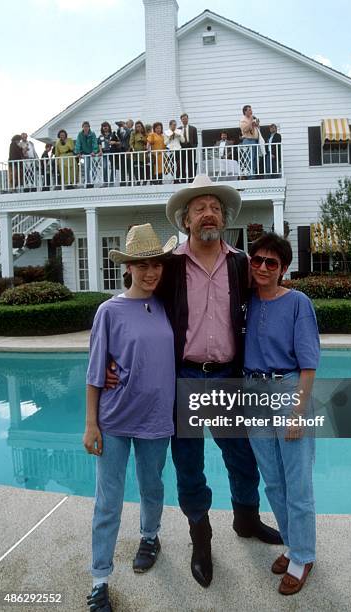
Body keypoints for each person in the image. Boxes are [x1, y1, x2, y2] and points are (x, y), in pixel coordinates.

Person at [106, 176, 281, 590]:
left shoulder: (241, 263)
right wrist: (113, 354)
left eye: (215, 207)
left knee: (241, 457)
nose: (209, 213)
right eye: (200, 207)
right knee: (189, 464)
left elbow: (269, 301)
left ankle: (246, 519)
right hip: (183, 377)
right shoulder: (168, 266)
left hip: (226, 377)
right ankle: (200, 537)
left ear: (224, 218)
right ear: (185, 221)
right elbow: (136, 303)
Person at [84, 223, 177, 612]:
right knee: (109, 501)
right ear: (128, 268)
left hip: (156, 419)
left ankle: (150, 537)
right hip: (116, 419)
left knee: (152, 486)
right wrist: (91, 423)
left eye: (156, 263)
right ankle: (100, 579)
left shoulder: (167, 306)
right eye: (142, 265)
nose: (151, 271)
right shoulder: (109, 311)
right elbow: (94, 371)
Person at [244, 232, 320, 596]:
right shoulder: (246, 302)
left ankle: (304, 556)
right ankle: (292, 545)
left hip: (288, 390)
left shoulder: (298, 303)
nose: (262, 267)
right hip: (252, 392)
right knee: (273, 480)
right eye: (256, 260)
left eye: (270, 262)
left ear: (283, 269)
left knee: (298, 482)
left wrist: (298, 412)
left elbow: (309, 364)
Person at [75, 121, 99, 187]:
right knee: (87, 168)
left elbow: (94, 143)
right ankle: (88, 182)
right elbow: (78, 143)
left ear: (89, 127)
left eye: (87, 126)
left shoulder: (92, 134)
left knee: (94, 167)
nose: (86, 128)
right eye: (84, 126)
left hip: (92, 154)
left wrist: (94, 151)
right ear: (82, 127)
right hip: (85, 154)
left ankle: (92, 181)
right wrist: (78, 152)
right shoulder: (80, 134)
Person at [239, 105, 260, 179]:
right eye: (249, 110)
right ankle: (250, 176)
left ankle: (253, 174)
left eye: (251, 110)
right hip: (248, 141)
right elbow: (244, 130)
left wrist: (257, 124)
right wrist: (251, 122)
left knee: (254, 159)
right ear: (245, 112)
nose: (251, 112)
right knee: (249, 159)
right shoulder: (243, 120)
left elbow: (255, 129)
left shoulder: (251, 119)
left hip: (254, 141)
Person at [98, 121, 119, 186]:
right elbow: (99, 144)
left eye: (106, 126)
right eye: (103, 126)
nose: (105, 127)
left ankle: (112, 181)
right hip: (104, 153)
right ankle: (105, 182)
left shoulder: (113, 134)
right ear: (102, 128)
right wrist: (100, 151)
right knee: (104, 167)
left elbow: (119, 142)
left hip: (112, 152)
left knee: (113, 167)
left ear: (109, 127)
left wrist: (114, 142)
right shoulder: (101, 136)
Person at [179, 113, 198, 182]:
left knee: (191, 164)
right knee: (182, 164)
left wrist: (194, 147)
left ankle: (191, 179)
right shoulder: (178, 129)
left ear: (188, 119)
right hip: (182, 148)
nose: (185, 120)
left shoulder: (193, 128)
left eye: (186, 119)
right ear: (181, 120)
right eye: (183, 119)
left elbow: (196, 141)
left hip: (191, 148)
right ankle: (183, 179)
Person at [129, 121, 148, 185]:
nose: (138, 128)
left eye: (139, 126)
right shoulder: (133, 133)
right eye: (137, 127)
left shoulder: (145, 134)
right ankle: (138, 180)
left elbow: (147, 141)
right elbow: (131, 142)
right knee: (136, 167)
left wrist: (143, 140)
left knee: (143, 167)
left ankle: (144, 180)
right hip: (136, 152)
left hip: (143, 153)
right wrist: (132, 148)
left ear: (142, 126)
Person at [116, 120, 133, 185]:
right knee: (122, 167)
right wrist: (119, 128)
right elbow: (120, 137)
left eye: (127, 123)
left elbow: (129, 133)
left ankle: (130, 182)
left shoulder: (132, 131)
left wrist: (123, 126)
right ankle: (123, 181)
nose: (125, 124)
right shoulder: (124, 131)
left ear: (131, 124)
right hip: (122, 150)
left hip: (129, 150)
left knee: (129, 167)